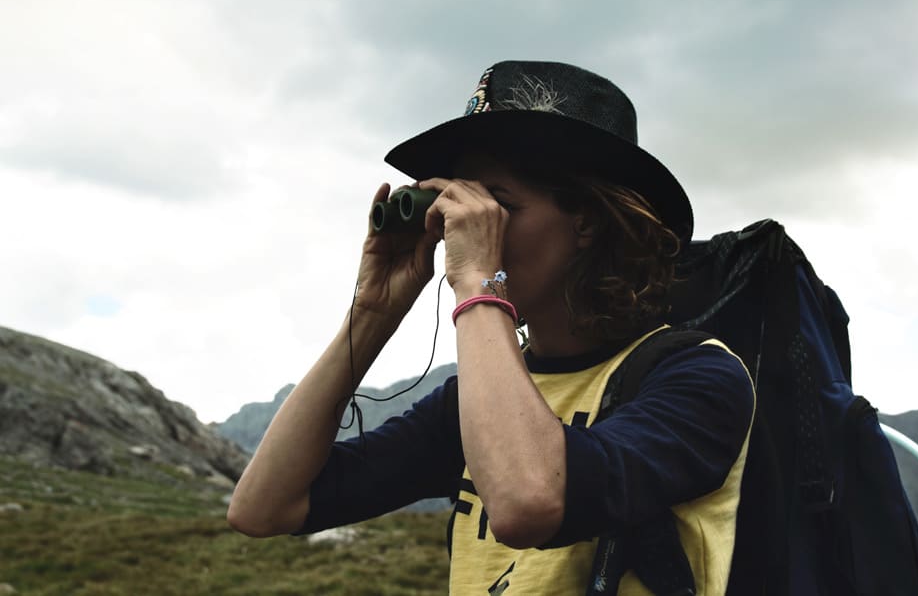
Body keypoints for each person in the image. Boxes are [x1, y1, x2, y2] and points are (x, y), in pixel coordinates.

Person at [228, 60, 755, 595]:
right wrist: (372, 314)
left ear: (588, 223)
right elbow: (264, 506)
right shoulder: (472, 403)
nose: (466, 228)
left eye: (497, 207)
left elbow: (529, 502)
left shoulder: (699, 377)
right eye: (459, 206)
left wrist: (479, 280)